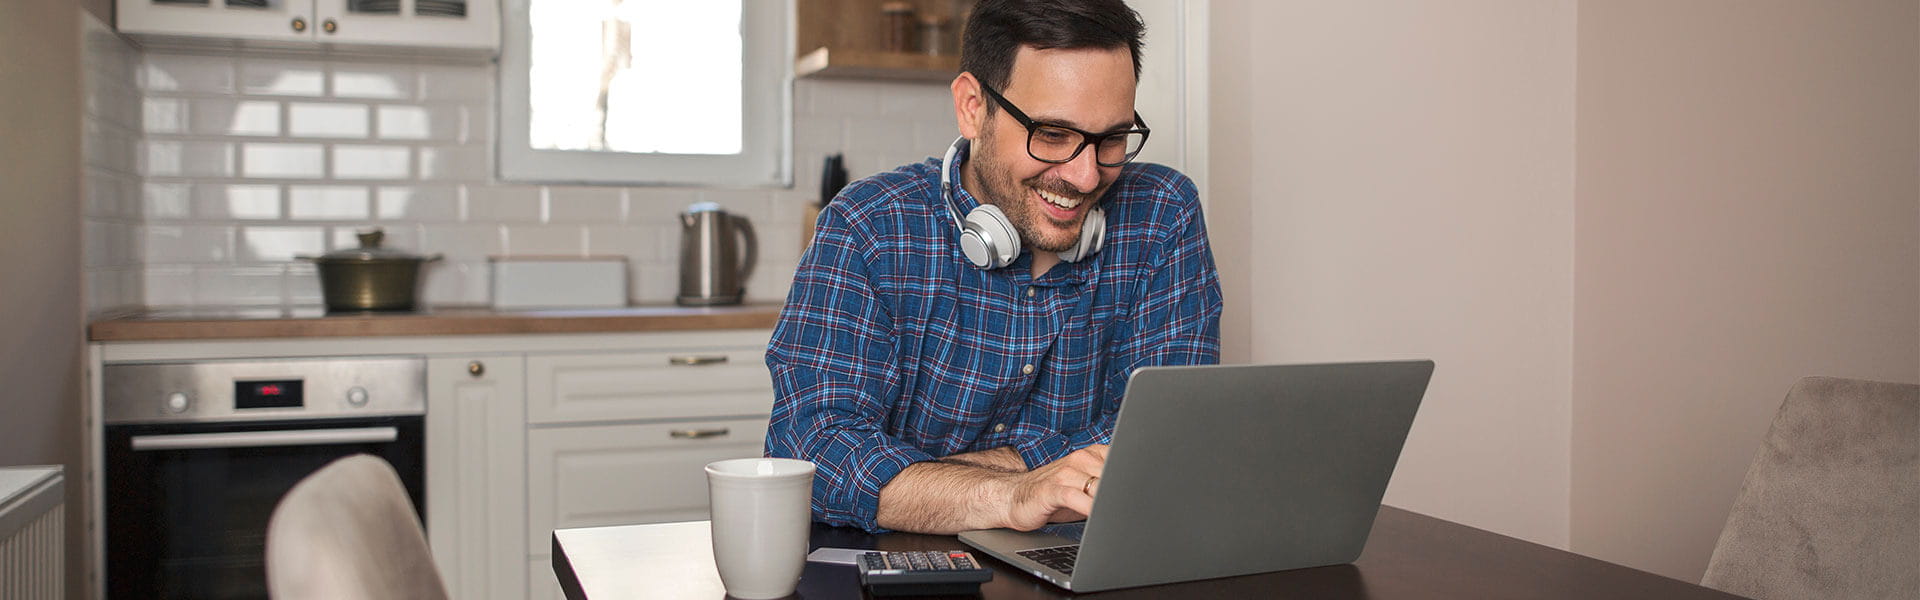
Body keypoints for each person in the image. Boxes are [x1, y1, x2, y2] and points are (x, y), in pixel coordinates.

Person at [765, 0, 1221, 535]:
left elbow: (1166, 438)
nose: (1084, 175)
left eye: (1112, 139)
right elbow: (811, 450)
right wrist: (1013, 495)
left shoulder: (1164, 214)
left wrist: (931, 478)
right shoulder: (869, 226)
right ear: (972, 107)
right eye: (1052, 134)